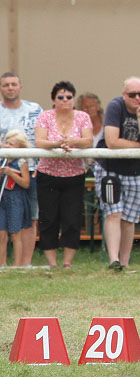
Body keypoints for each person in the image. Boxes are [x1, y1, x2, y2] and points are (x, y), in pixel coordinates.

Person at [94, 77, 140, 272]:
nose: (137, 98)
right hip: (109, 168)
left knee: (130, 218)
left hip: (135, 171)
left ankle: (125, 262)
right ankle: (113, 260)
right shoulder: (115, 106)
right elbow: (112, 141)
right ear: (124, 95)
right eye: (132, 95)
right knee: (113, 213)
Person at [33, 81, 94, 269]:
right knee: (48, 219)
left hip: (74, 175)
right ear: (53, 100)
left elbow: (88, 141)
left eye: (69, 97)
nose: (65, 100)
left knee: (72, 219)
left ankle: (67, 263)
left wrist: (71, 141)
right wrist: (57, 144)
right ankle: (52, 263)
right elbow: (40, 142)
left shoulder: (83, 117)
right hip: (48, 175)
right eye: (61, 97)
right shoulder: (45, 117)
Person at [0, 72, 43, 266]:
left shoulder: (35, 109)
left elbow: (42, 138)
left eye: (14, 84)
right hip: (3, 173)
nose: (10, 88)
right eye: (6, 85)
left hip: (31, 169)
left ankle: (25, 264)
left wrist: (40, 164)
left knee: (30, 217)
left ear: (20, 87)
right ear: (1, 88)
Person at [0, 130, 32, 267]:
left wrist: (11, 174)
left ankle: (17, 265)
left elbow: (26, 183)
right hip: (3, 198)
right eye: (6, 143)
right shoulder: (2, 160)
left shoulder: (21, 162)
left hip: (16, 199)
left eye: (11, 144)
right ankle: (2, 263)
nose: (7, 146)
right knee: (1, 233)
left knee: (15, 233)